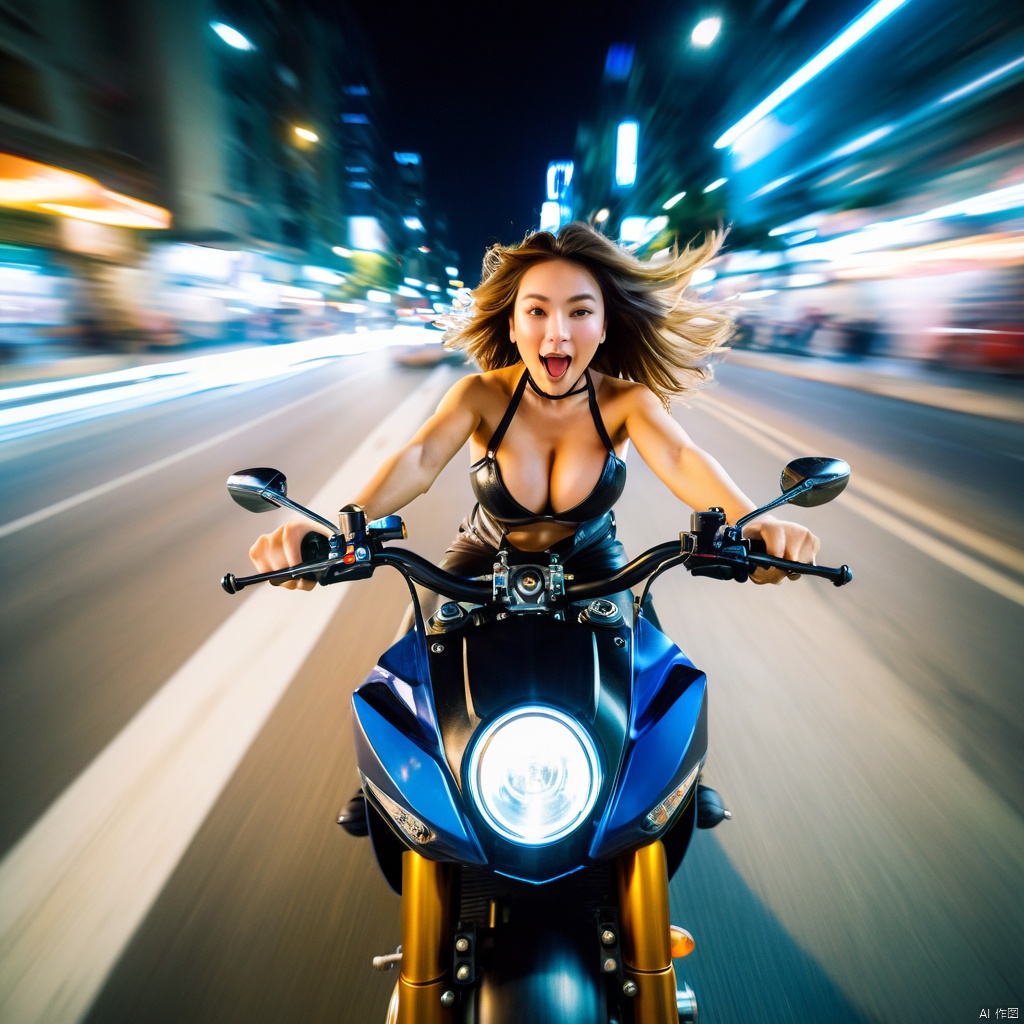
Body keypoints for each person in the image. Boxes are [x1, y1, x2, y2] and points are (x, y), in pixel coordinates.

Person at [248, 222, 819, 594]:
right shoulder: (479, 396)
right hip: (478, 561)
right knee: (407, 689)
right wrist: (330, 527)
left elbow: (682, 457)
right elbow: (419, 459)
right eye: (538, 311)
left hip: (596, 566)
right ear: (514, 322)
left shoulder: (626, 402)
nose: (557, 334)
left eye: (578, 312)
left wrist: (753, 522)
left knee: (660, 697)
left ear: (604, 323)